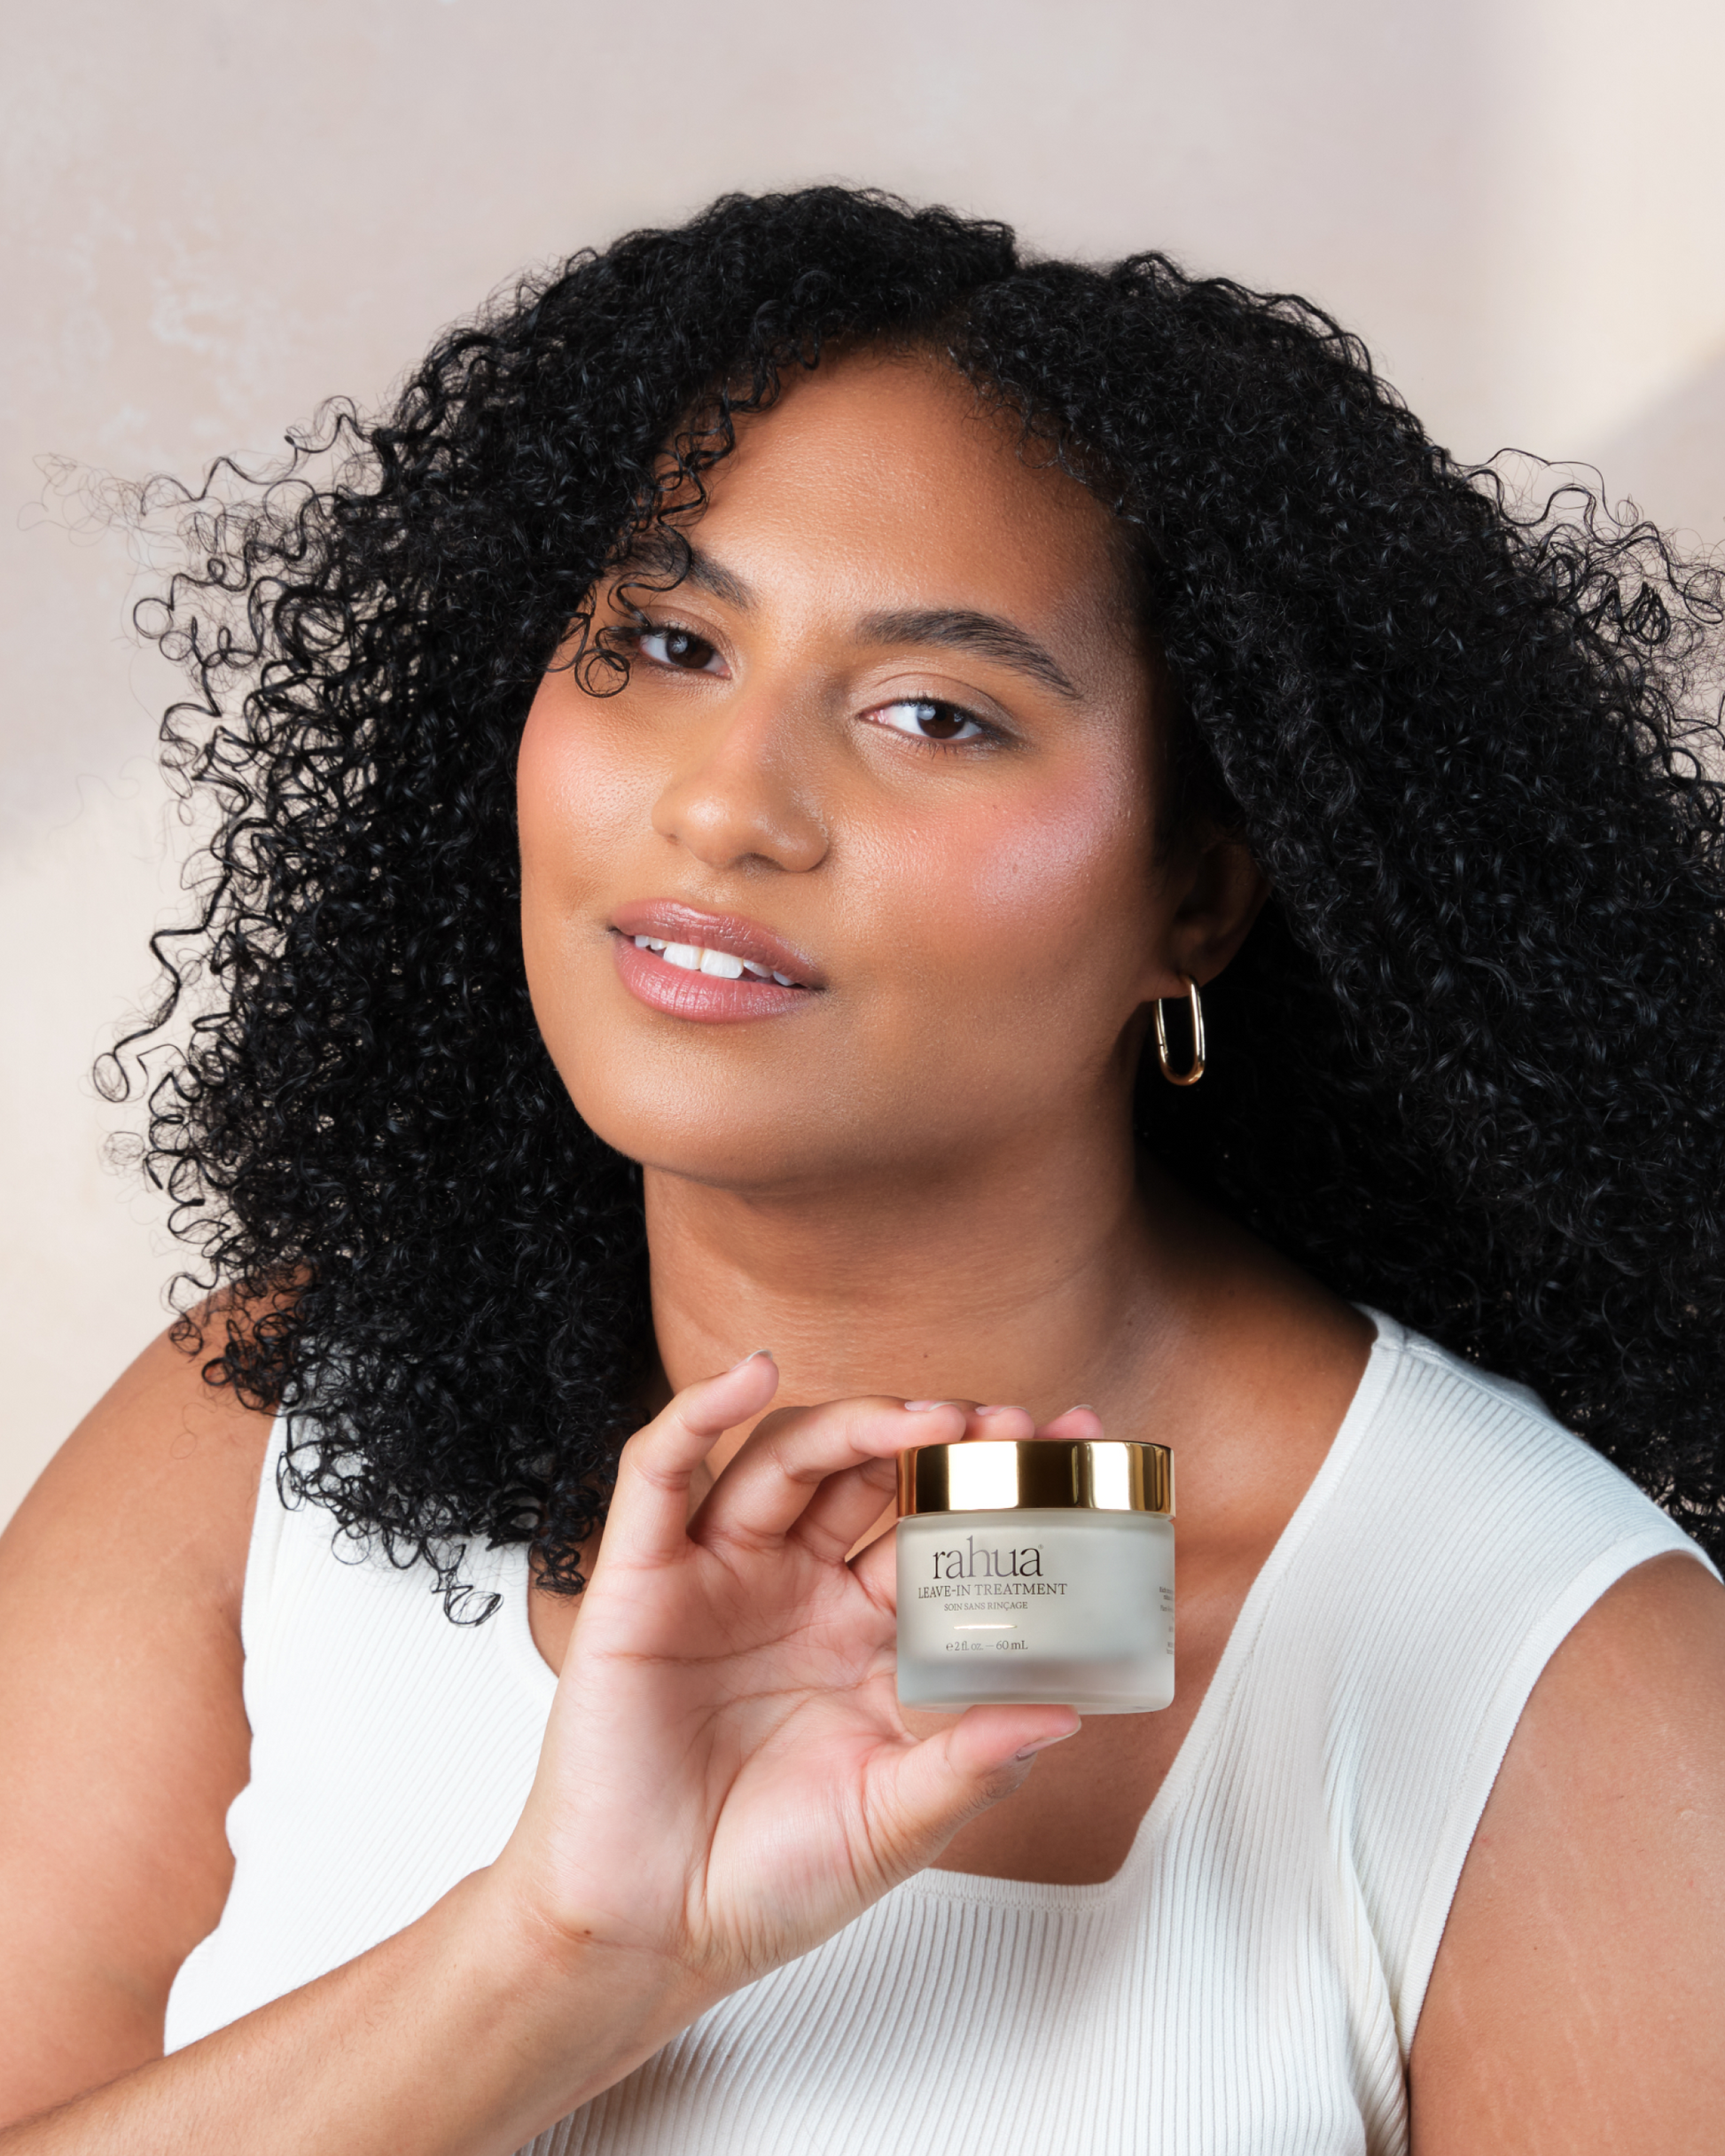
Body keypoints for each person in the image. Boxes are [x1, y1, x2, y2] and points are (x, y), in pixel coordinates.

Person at [2, 185, 1723, 2156]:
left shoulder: (1541, 1675)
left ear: (1199, 893)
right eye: (666, 641)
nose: (725, 804)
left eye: (934, 713)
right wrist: (558, 1956)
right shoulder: (267, 1434)